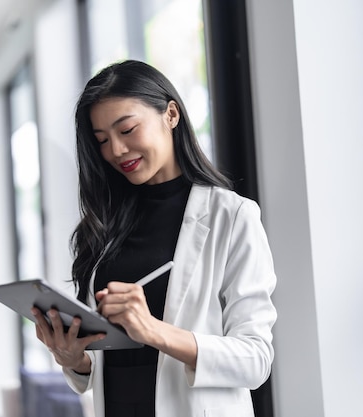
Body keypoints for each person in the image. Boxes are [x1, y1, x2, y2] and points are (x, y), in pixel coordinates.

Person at [31, 59, 277, 417]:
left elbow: (256, 360)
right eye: (102, 140)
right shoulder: (104, 225)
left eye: (127, 129)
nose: (115, 150)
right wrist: (73, 358)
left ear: (171, 114)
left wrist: (153, 330)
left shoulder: (233, 216)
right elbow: (98, 371)